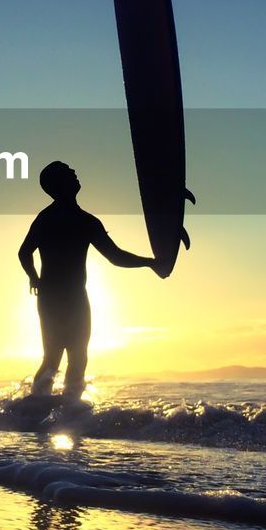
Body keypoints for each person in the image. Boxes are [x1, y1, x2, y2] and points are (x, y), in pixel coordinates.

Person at [18, 160, 157, 402]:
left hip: (69, 297)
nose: (75, 174)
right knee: (58, 357)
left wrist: (149, 262)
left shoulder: (79, 220)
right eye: (69, 173)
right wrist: (34, 278)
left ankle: (62, 409)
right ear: (58, 185)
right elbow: (23, 251)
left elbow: (115, 257)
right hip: (58, 297)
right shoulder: (59, 219)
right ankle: (39, 409)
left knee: (75, 356)